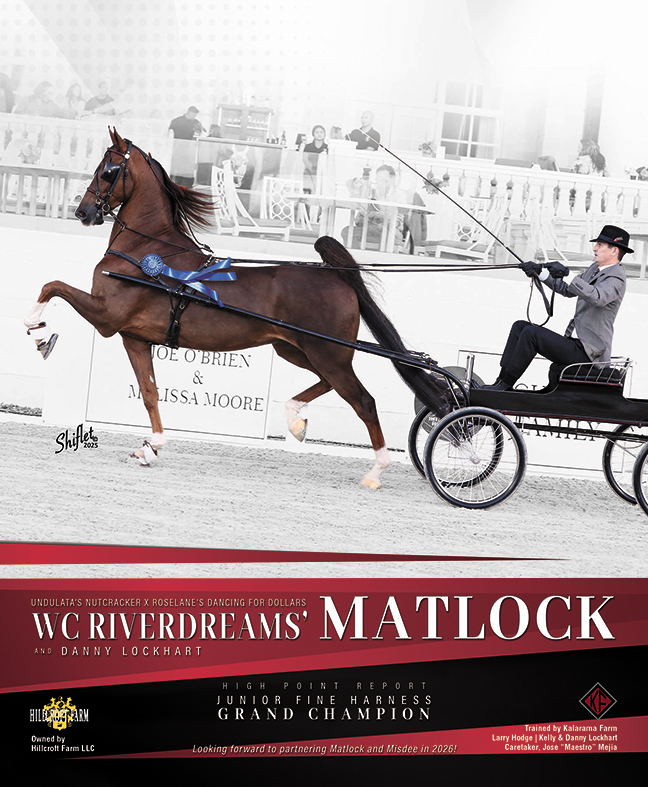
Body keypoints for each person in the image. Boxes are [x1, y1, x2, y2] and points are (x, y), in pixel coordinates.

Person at [481, 225, 632, 391]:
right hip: (575, 345)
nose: (595, 248)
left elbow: (597, 297)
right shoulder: (594, 269)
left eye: (600, 245)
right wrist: (540, 272)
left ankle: (505, 386)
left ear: (614, 251)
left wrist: (567, 274)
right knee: (520, 326)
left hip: (589, 354)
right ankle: (500, 381)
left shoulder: (617, 278)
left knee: (532, 334)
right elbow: (568, 289)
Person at [302, 124, 328, 192]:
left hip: (322, 174)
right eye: (317, 132)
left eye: (321, 132)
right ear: (313, 134)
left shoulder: (327, 147)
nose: (319, 134)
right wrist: (310, 169)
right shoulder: (308, 146)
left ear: (324, 134)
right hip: (309, 172)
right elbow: (304, 159)